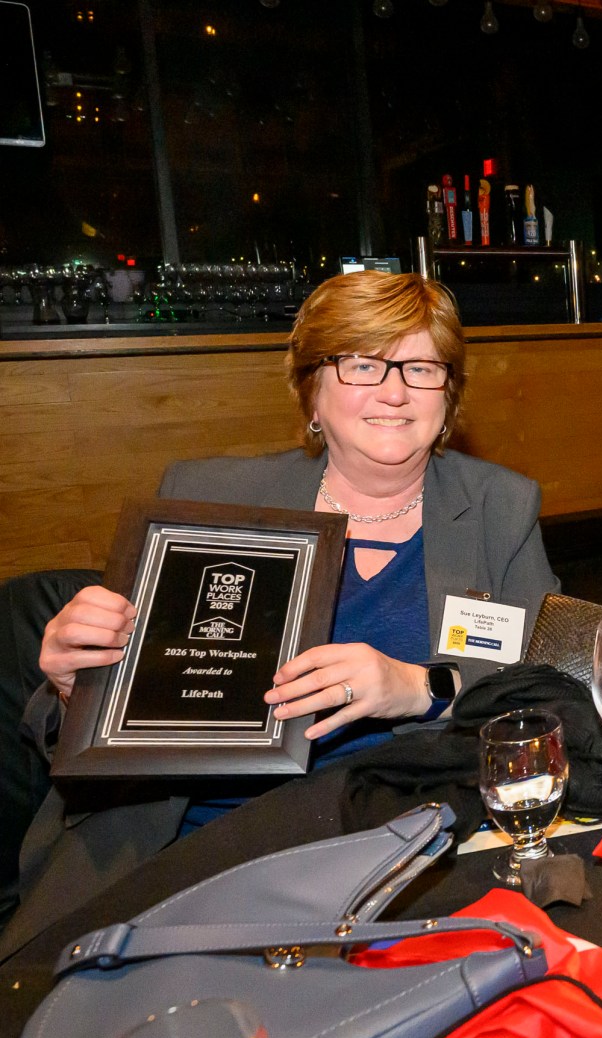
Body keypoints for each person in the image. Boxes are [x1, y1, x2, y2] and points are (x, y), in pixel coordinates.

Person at [8, 271, 558, 954]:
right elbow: (131, 711)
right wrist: (79, 682)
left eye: (421, 367)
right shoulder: (212, 498)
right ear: (312, 393)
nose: (394, 391)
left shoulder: (498, 508)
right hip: (197, 843)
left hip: (398, 846)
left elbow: (546, 684)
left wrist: (419, 687)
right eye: (362, 365)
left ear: (448, 395)